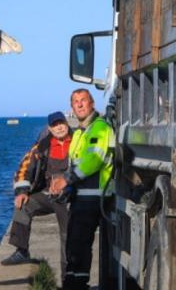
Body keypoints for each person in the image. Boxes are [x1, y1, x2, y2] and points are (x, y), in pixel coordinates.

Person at [51, 88, 115, 290]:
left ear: (92, 104)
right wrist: (66, 190)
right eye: (75, 101)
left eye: (83, 100)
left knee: (78, 247)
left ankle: (76, 286)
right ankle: (72, 283)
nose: (79, 104)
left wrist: (66, 180)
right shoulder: (80, 132)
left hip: (95, 198)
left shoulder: (99, 128)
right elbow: (75, 163)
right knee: (74, 246)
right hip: (81, 198)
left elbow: (93, 160)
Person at [1, 111, 72, 275]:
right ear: (50, 128)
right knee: (23, 205)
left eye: (61, 123)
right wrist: (21, 191)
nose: (59, 127)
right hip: (48, 194)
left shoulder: (78, 141)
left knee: (67, 238)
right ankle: (22, 251)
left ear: (67, 124)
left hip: (69, 196)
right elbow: (23, 169)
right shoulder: (41, 146)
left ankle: (68, 279)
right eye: (55, 125)